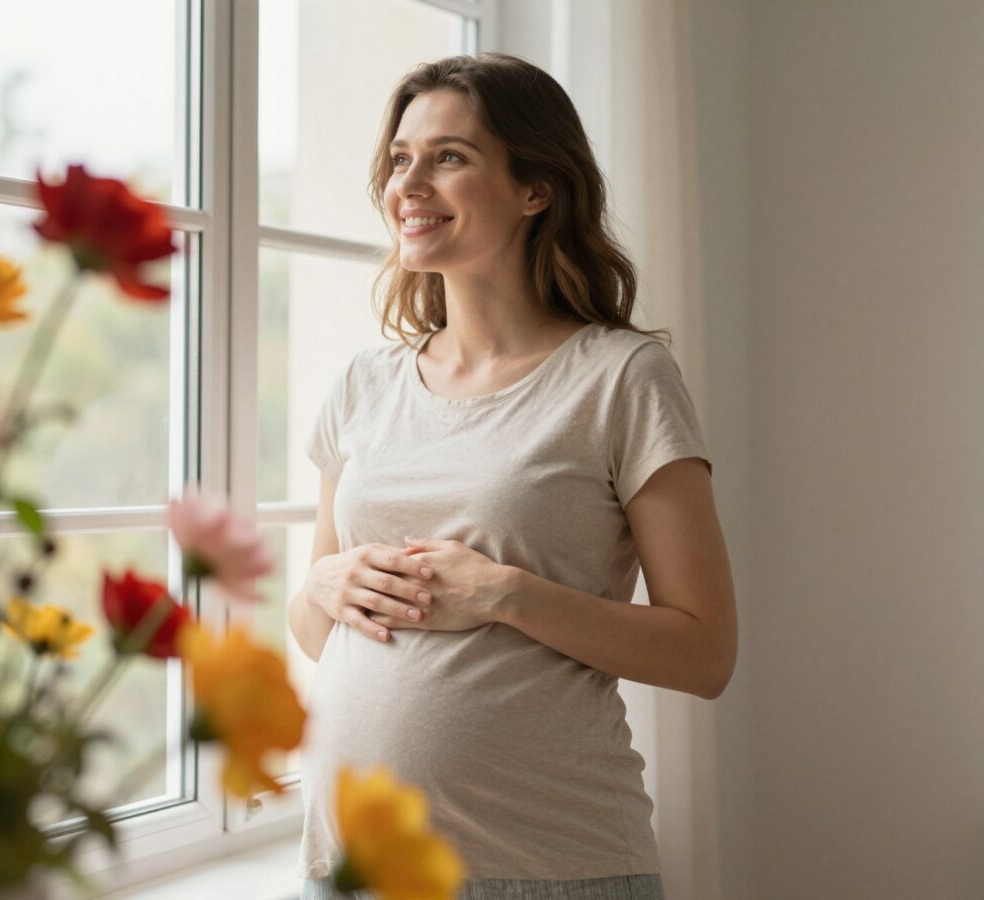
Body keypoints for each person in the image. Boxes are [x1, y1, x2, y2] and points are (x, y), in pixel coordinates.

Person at [290, 52, 737, 900]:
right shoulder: (364, 384)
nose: (408, 184)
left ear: (537, 188)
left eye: (449, 157)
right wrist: (329, 581)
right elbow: (316, 631)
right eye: (399, 159)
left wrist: (505, 595)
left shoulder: (621, 377)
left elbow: (707, 651)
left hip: (546, 868)